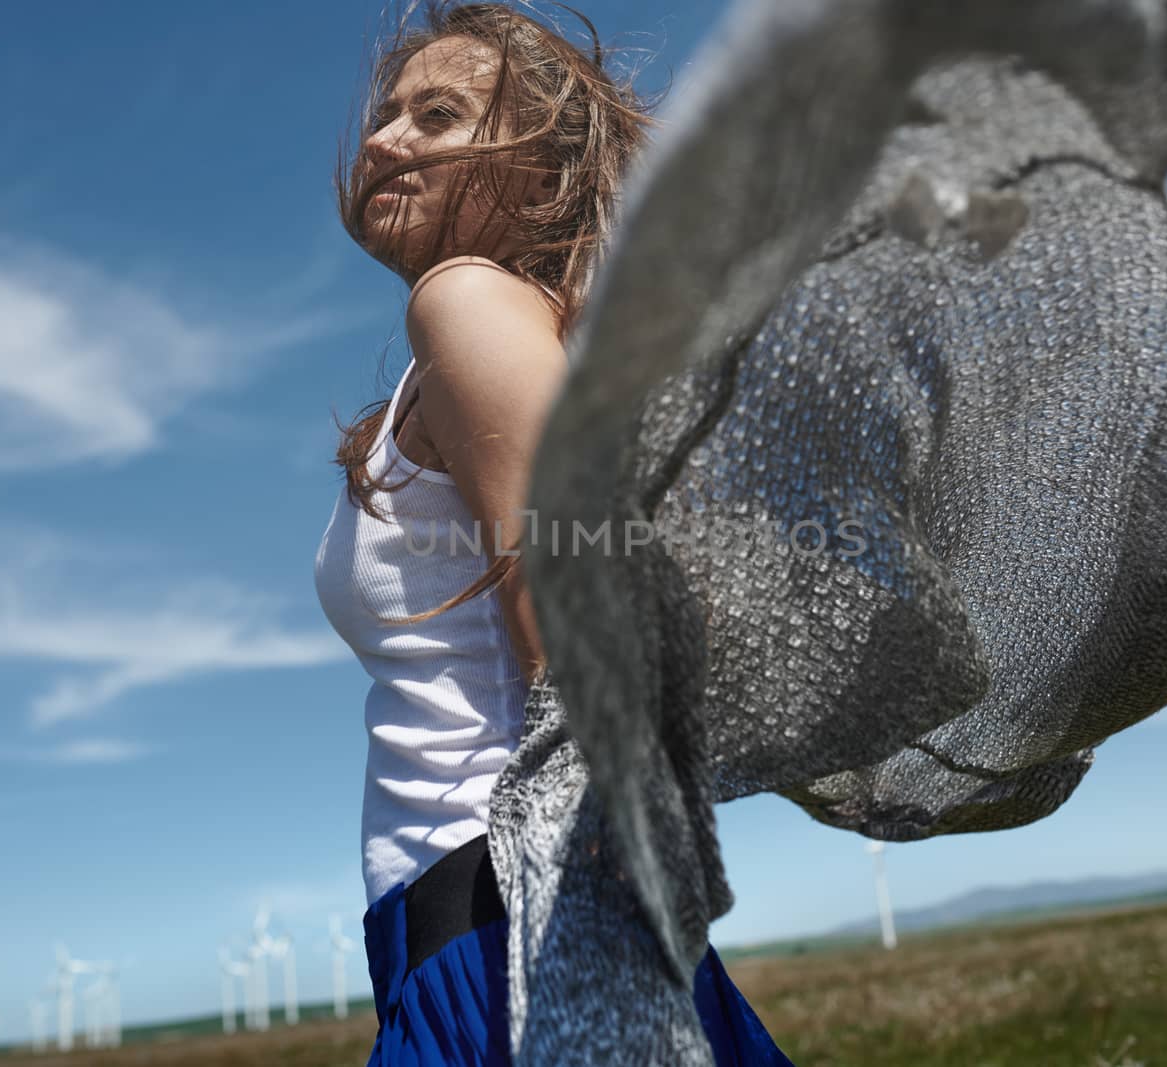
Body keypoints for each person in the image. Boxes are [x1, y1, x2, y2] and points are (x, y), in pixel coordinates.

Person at [313, 3, 796, 1063]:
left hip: (505, 914)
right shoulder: (481, 341)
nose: (383, 140)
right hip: (474, 915)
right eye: (386, 115)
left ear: (540, 173)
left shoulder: (465, 299)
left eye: (435, 117)